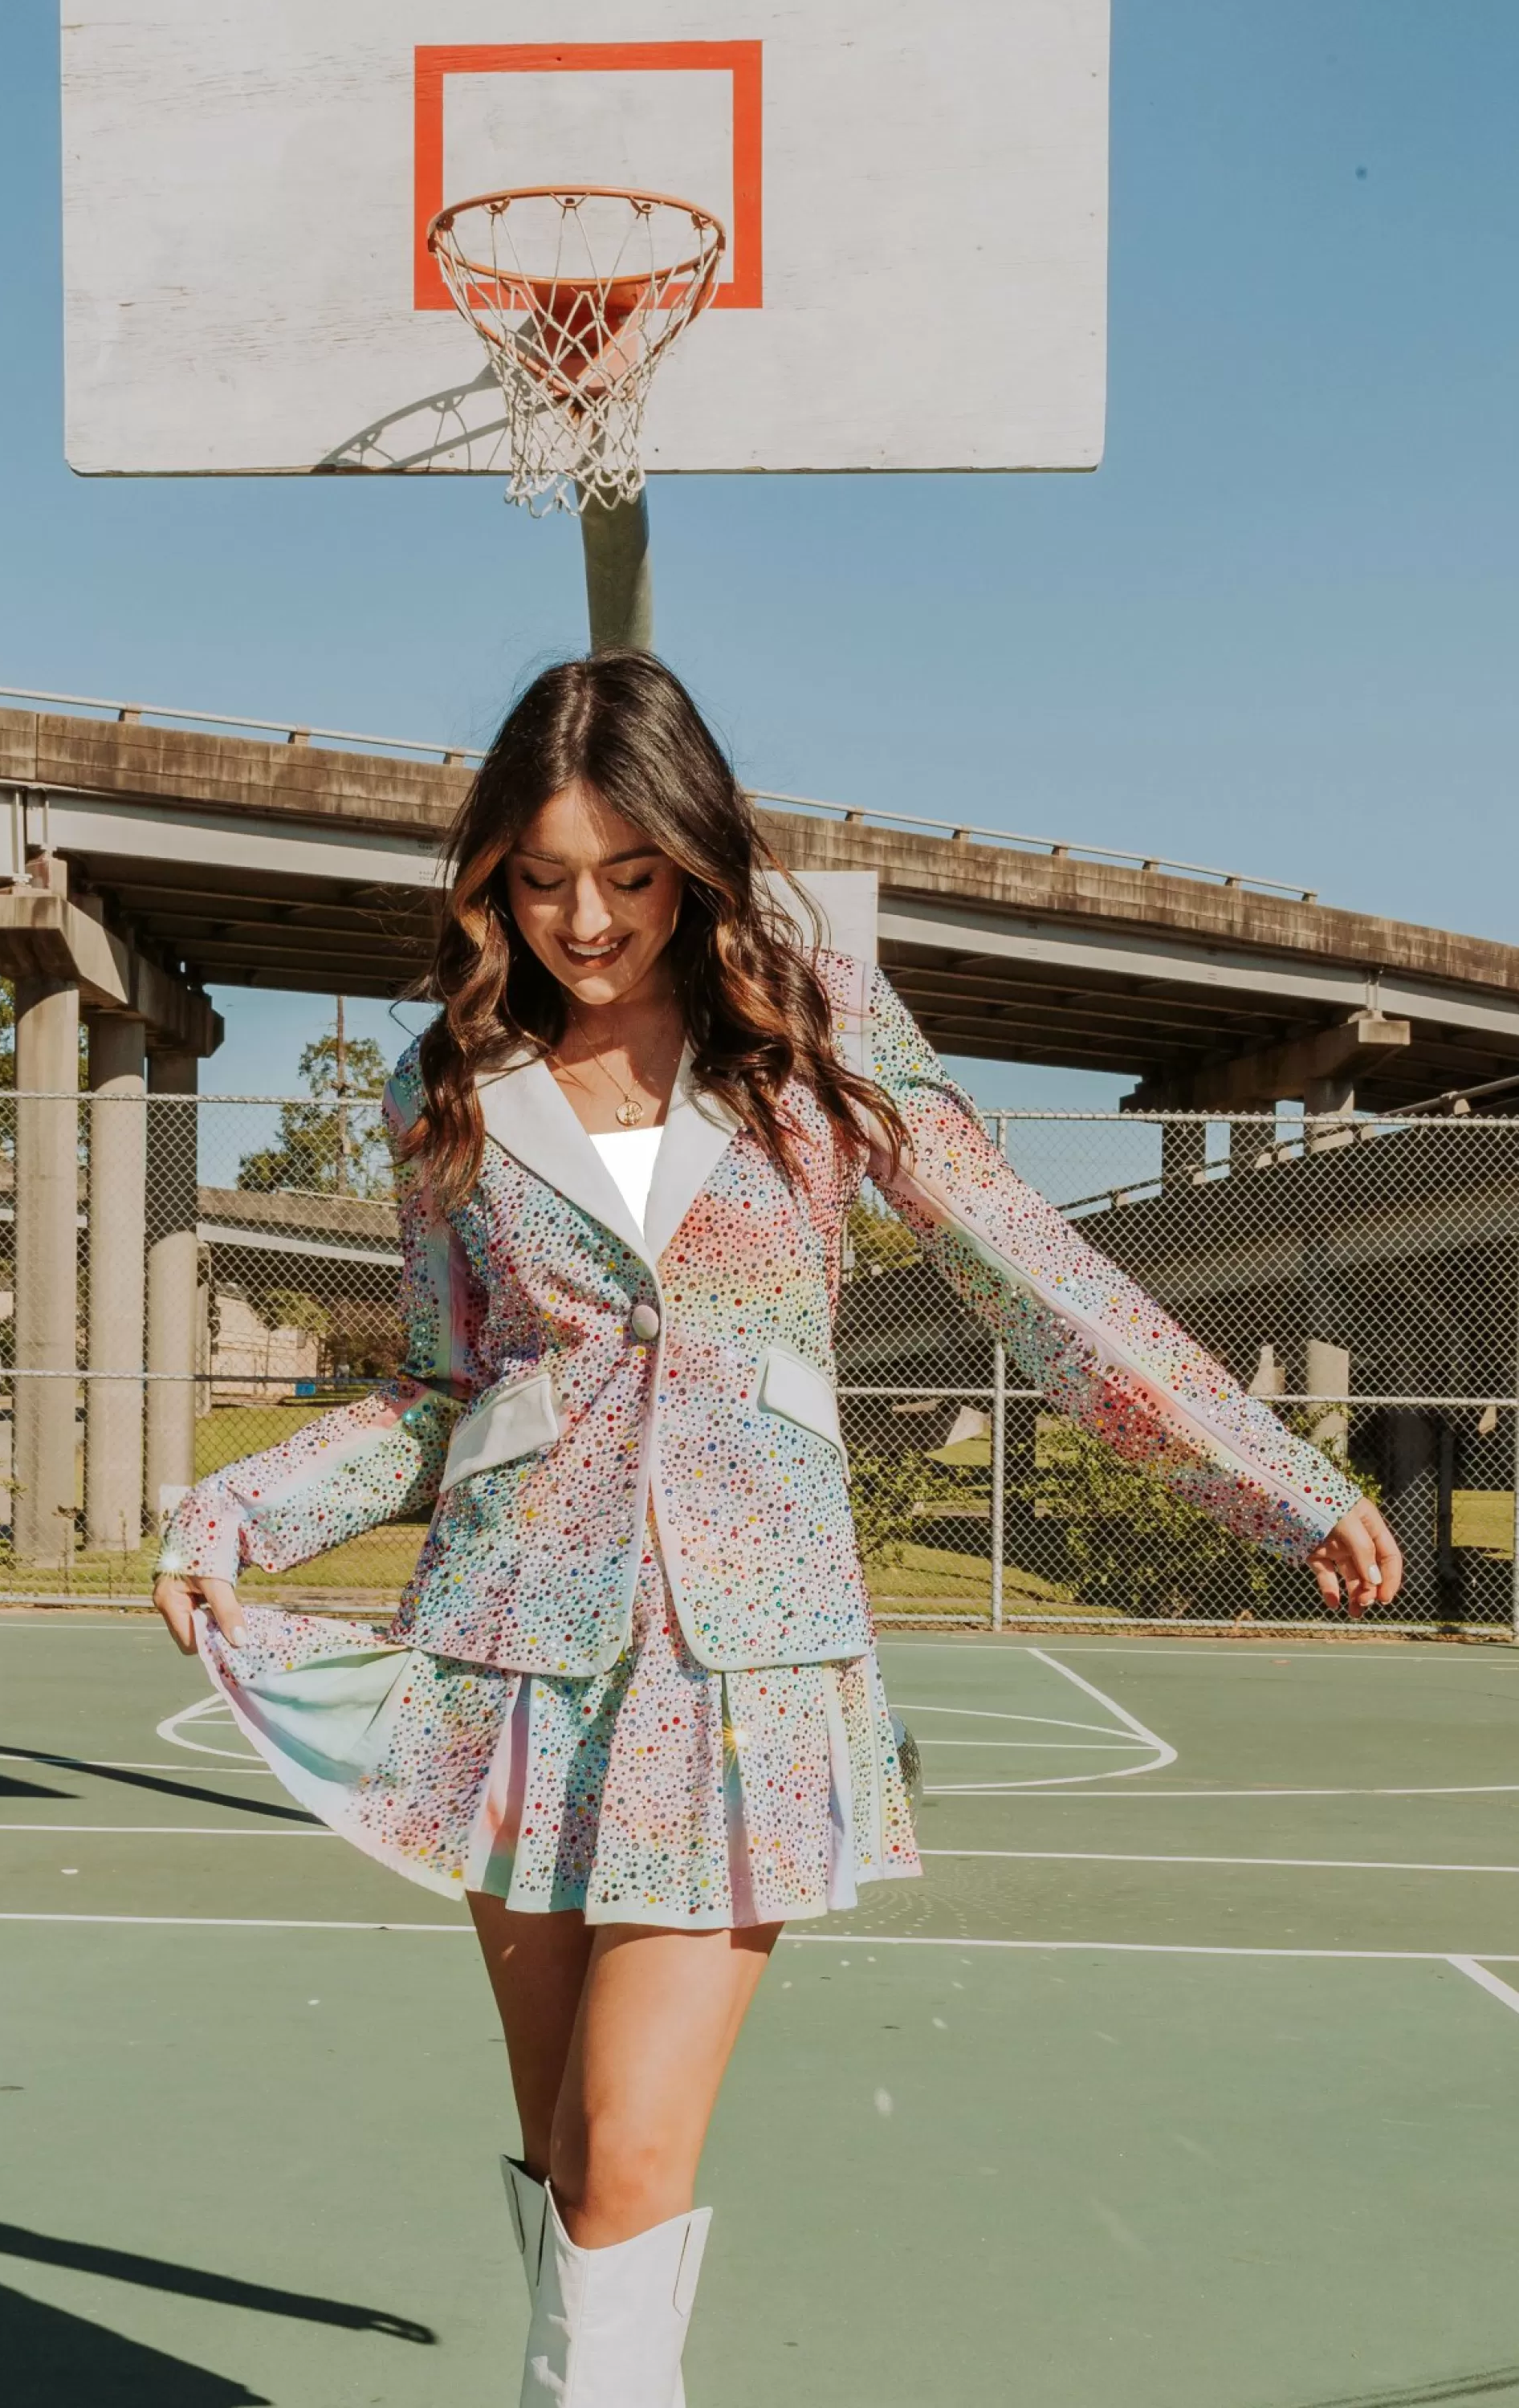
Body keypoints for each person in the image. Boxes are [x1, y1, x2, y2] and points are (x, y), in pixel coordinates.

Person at [153, 653, 1402, 2406]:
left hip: (740, 1669)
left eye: (630, 875)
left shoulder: (818, 1025)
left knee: (631, 2163)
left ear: (696, 855)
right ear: (491, 875)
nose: (585, 919)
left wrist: (1276, 1475)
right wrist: (236, 1512)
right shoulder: (448, 1077)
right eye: (540, 877)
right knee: (572, 2160)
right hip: (510, 1651)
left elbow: (1023, 1267)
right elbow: (439, 1396)